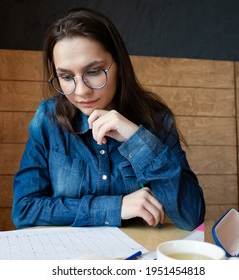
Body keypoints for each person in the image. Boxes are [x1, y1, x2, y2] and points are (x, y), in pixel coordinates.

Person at [11, 7, 205, 231]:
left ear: (119, 65)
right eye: (66, 76)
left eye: (93, 71)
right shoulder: (48, 120)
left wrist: (137, 140)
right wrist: (115, 207)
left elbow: (192, 216)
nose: (81, 91)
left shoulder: (157, 119)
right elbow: (24, 209)